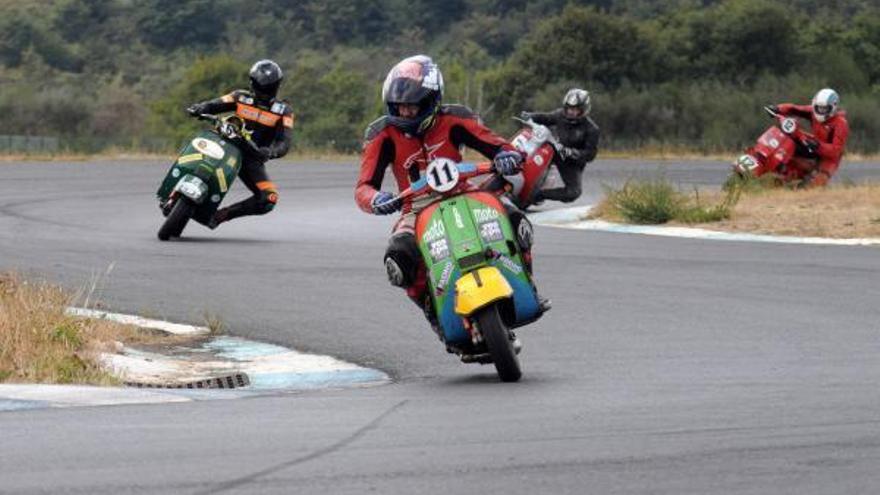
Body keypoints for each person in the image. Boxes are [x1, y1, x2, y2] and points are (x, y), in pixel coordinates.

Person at [355, 55, 542, 342]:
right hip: (415, 207)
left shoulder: (455, 117)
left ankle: (526, 283)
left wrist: (507, 156)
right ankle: (434, 313)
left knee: (514, 217)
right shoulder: (381, 134)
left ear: (431, 101)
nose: (405, 113)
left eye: (412, 105)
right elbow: (364, 187)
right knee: (399, 256)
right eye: (399, 107)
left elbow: (497, 145)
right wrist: (378, 198)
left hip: (465, 190)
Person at [185, 59, 294, 228]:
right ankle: (175, 191)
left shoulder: (284, 111)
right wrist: (200, 108)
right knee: (198, 147)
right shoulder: (239, 97)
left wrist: (270, 152)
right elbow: (215, 104)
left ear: (277, 86)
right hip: (224, 144)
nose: (264, 93)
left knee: (269, 198)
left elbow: (284, 142)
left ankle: (220, 216)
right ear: (252, 83)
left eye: (269, 89)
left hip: (252, 158)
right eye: (261, 87)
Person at [521, 88, 600, 203]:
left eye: (575, 109)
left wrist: (572, 152)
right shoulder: (560, 115)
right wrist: (530, 116)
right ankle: (517, 169)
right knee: (537, 147)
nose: (571, 112)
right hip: (555, 150)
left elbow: (590, 154)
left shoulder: (592, 129)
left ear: (583, 110)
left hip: (572, 162)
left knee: (574, 192)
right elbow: (546, 117)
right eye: (569, 108)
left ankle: (538, 195)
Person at [764, 88, 849, 188]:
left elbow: (836, 150)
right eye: (818, 108)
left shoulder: (841, 123)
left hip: (828, 158)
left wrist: (818, 146)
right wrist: (778, 108)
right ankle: (769, 164)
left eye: (825, 109)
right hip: (812, 145)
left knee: (814, 187)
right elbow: (794, 109)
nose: (820, 111)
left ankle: (802, 184)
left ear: (833, 107)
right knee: (789, 139)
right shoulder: (812, 111)